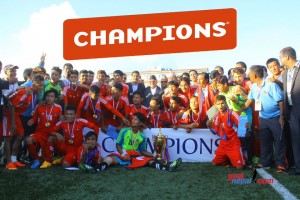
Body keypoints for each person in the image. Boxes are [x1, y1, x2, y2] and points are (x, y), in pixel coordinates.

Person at [91, 112, 182, 172]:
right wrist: (123, 154)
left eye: (135, 119)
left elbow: (142, 151)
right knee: (109, 159)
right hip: (123, 154)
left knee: (149, 161)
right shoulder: (124, 130)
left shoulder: (142, 136)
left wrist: (154, 155)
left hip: (135, 155)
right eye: (133, 118)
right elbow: (118, 144)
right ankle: (96, 169)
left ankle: (168, 168)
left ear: (140, 123)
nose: (133, 120)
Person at [240, 65, 286, 172]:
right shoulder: (254, 87)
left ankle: (280, 163)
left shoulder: (271, 85)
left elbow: (281, 101)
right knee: (264, 141)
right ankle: (266, 162)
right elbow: (250, 100)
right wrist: (240, 110)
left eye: (249, 74)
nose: (248, 76)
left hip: (275, 117)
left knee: (279, 140)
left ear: (255, 75)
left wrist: (282, 116)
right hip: (263, 118)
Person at [6, 75, 44, 169]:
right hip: (8, 114)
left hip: (16, 115)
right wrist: (13, 122)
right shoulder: (26, 92)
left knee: (20, 136)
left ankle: (14, 160)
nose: (41, 87)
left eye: (42, 85)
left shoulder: (36, 93)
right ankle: (8, 162)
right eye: (39, 85)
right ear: (34, 84)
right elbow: (11, 105)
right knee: (9, 137)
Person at [26, 89, 62, 168]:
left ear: (55, 98)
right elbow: (34, 119)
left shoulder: (58, 108)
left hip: (51, 133)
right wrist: (31, 121)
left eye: (52, 96)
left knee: (51, 140)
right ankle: (37, 159)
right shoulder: (39, 106)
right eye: (48, 96)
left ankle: (48, 159)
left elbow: (60, 122)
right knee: (28, 139)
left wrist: (57, 129)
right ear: (45, 97)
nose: (49, 98)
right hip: (40, 133)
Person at [206, 95, 245, 169]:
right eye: (218, 104)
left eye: (222, 103)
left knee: (240, 167)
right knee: (215, 163)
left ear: (226, 103)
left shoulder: (231, 113)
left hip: (234, 144)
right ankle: (229, 160)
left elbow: (242, 122)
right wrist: (209, 126)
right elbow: (214, 132)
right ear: (215, 105)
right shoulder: (215, 116)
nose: (220, 106)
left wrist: (243, 132)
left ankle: (241, 157)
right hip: (223, 144)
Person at [280, 47, 300, 175]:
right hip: (292, 111)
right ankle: (298, 168)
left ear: (287, 57)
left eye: (280, 57)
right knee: (295, 139)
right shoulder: (285, 73)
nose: (280, 60)